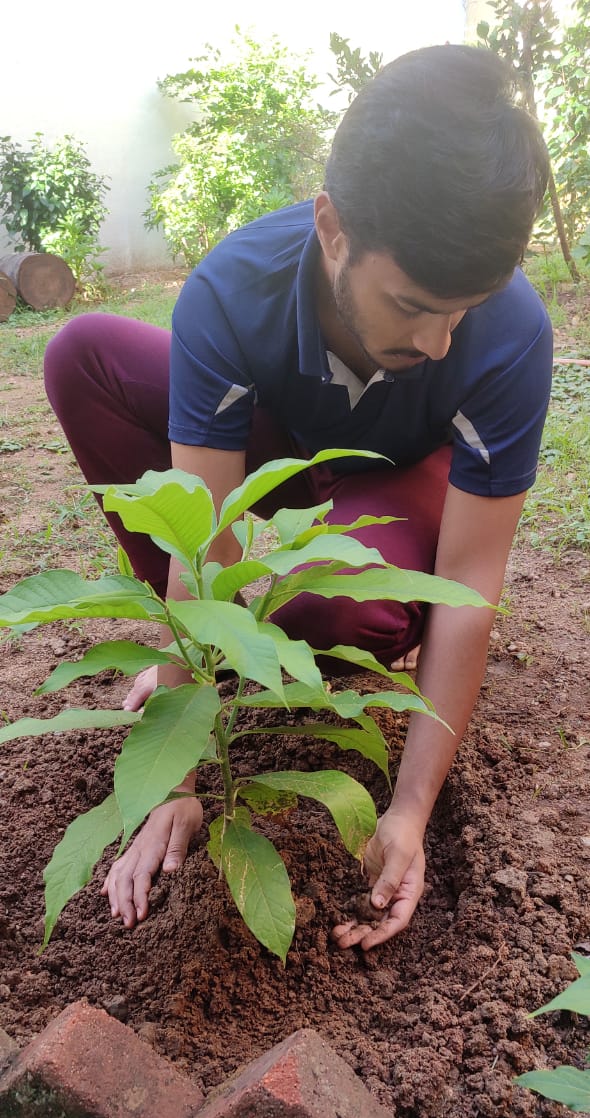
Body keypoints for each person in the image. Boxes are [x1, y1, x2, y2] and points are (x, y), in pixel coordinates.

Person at [44, 43, 552, 951]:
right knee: (82, 354)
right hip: (284, 451)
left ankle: (320, 636)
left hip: (401, 488)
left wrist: (407, 811)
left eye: (462, 309)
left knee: (328, 595)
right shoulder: (234, 292)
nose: (440, 342)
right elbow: (202, 541)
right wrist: (179, 773)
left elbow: (471, 587)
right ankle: (216, 661)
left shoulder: (507, 334)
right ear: (332, 228)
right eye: (411, 304)